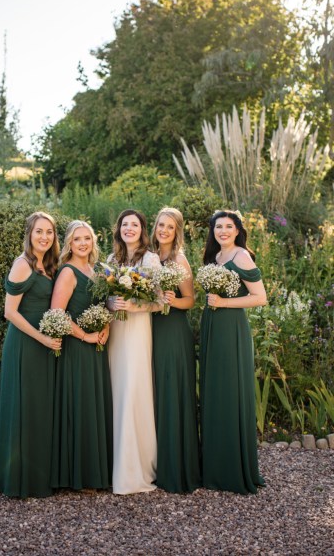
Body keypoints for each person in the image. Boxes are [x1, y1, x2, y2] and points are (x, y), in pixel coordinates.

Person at [0, 211, 62, 498]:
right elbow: (10, 312)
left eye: (49, 232)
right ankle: (19, 480)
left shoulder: (50, 266)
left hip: (45, 343)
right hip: (25, 344)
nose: (44, 237)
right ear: (29, 235)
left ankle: (39, 476)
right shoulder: (23, 265)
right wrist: (43, 338)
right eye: (39, 232)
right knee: (24, 406)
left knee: (40, 408)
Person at [200, 210, 267, 494]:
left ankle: (233, 470)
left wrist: (223, 303)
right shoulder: (215, 258)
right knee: (214, 391)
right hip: (213, 327)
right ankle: (214, 467)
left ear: (238, 230)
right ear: (213, 230)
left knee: (229, 391)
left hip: (231, 330)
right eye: (219, 226)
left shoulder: (241, 256)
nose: (223, 231)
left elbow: (260, 297)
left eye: (229, 226)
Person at [51, 220, 113, 490]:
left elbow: (105, 305)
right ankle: (81, 475)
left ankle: (98, 472)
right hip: (77, 348)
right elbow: (57, 314)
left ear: (93, 241)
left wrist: (107, 327)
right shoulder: (68, 272)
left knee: (96, 405)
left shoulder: (98, 271)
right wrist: (85, 336)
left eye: (87, 238)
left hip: (98, 347)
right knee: (81, 405)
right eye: (77, 239)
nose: (83, 243)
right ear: (69, 243)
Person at [107, 209, 161, 494]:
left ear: (143, 230)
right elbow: (103, 296)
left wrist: (135, 306)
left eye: (135, 224)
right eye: (125, 224)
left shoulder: (150, 259)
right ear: (119, 229)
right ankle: (114, 463)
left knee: (133, 390)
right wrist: (110, 303)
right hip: (115, 332)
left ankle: (135, 467)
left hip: (138, 332)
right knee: (116, 390)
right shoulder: (111, 260)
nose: (130, 228)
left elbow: (160, 300)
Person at [151, 207, 201, 493]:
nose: (164, 230)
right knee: (155, 391)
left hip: (172, 330)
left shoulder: (178, 260)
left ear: (177, 231)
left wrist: (172, 298)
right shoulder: (148, 257)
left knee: (171, 391)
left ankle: (177, 467)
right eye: (161, 225)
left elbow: (191, 300)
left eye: (170, 227)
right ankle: (155, 462)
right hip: (151, 328)